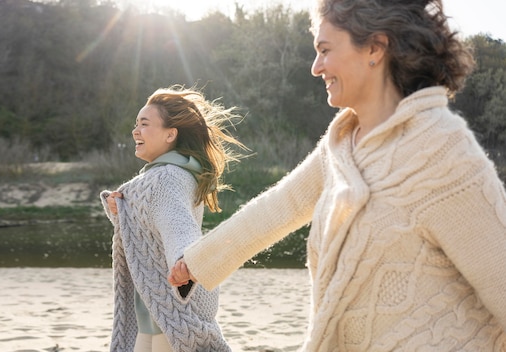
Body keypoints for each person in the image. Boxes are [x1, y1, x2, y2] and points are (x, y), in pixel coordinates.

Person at [169, 0, 506, 350]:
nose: (316, 68)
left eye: (325, 50)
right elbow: (278, 207)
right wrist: (197, 262)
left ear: (375, 48)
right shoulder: (343, 142)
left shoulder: (443, 150)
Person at [100, 85, 246, 352]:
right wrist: (122, 213)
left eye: (144, 124)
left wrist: (185, 260)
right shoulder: (169, 175)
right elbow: (151, 232)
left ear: (170, 134)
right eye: (136, 124)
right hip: (157, 311)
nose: (135, 131)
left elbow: (178, 227)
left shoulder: (166, 178)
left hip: (169, 318)